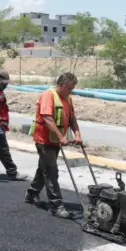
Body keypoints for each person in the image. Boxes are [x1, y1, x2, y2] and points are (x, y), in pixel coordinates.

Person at [25, 72, 82, 219]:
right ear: (62, 84)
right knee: (51, 171)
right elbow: (47, 118)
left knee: (43, 168)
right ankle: (56, 206)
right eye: (70, 88)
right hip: (44, 140)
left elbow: (72, 119)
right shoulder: (48, 96)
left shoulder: (68, 98)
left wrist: (77, 135)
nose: (71, 91)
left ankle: (31, 194)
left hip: (55, 141)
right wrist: (61, 137)